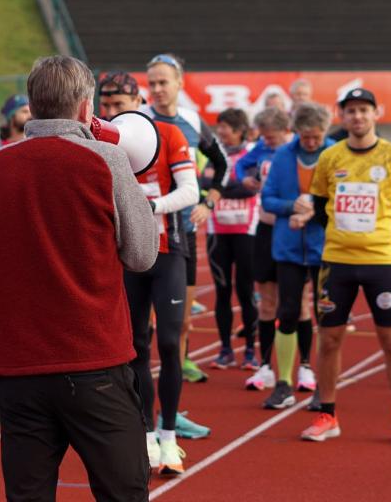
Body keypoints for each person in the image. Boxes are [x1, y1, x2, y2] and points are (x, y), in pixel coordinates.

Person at [0, 56, 157, 501]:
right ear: (85, 105)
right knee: (124, 492)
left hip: (20, 369)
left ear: (31, 107)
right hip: (96, 363)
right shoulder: (108, 161)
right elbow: (142, 255)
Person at [303, 88, 391, 445]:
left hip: (382, 261)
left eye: (364, 110)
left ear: (375, 114)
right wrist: (341, 236)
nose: (357, 116)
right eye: (351, 111)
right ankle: (328, 413)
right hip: (337, 261)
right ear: (342, 116)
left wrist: (389, 240)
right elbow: (321, 203)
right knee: (329, 339)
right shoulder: (329, 157)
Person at [98, 70, 200, 473]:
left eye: (118, 106)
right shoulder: (101, 142)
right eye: (105, 106)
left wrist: (150, 208)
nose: (110, 113)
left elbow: (190, 192)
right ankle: (143, 436)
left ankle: (170, 435)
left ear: (137, 102)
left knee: (171, 343)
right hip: (126, 257)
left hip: (168, 251)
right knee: (135, 345)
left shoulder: (170, 135)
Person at [142, 54, 227, 385]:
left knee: (181, 321)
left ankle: (179, 367)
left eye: (164, 82)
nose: (158, 89)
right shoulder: (139, 120)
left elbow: (222, 163)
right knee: (145, 322)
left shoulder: (193, 121)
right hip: (148, 232)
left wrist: (209, 202)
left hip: (184, 232)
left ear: (179, 82)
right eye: (152, 84)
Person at [259, 103, 333, 411]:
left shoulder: (335, 154)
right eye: (306, 137)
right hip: (288, 249)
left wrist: (314, 209)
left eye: (316, 137)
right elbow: (268, 199)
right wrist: (293, 207)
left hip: (326, 248)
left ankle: (323, 389)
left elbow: (342, 197)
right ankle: (283, 383)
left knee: (328, 318)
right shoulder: (283, 156)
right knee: (287, 312)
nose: (312, 142)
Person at [237, 107, 293, 391]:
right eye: (265, 138)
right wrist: (245, 179)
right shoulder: (261, 149)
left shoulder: (296, 152)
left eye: (271, 137)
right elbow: (238, 166)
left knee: (297, 302)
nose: (266, 142)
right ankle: (266, 365)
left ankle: (302, 366)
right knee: (267, 301)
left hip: (292, 232)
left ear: (285, 131)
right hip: (265, 229)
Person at [205, 109, 260, 370]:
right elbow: (203, 184)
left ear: (239, 129)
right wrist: (237, 187)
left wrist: (221, 187)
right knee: (222, 293)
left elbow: (254, 188)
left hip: (247, 232)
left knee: (246, 292)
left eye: (225, 127)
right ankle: (225, 348)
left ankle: (250, 350)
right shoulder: (216, 154)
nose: (221, 132)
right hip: (218, 233)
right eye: (220, 127)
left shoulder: (252, 153)